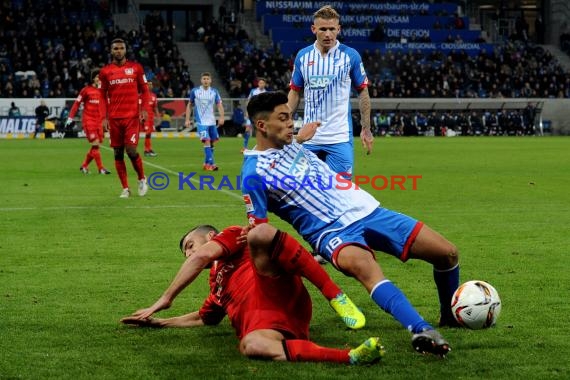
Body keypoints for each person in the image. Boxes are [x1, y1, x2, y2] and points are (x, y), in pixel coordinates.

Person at [243, 91, 460, 357]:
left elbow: (290, 142)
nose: (291, 123)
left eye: (291, 117)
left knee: (447, 253)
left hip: (366, 209)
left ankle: (449, 317)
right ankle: (421, 330)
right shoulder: (253, 175)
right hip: (330, 232)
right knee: (368, 271)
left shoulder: (288, 142)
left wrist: (301, 136)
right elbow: (259, 232)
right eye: (284, 118)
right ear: (262, 126)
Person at [121, 224, 381, 364]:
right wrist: (157, 323)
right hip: (273, 324)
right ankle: (351, 356)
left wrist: (164, 300)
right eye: (185, 253)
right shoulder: (217, 286)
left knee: (260, 233)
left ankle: (334, 295)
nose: (189, 254)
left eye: (190, 246)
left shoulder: (233, 236)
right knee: (251, 345)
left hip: (276, 286)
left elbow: (201, 256)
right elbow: (204, 318)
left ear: (210, 236)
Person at [287, 5, 373, 179]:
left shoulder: (350, 56)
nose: (328, 34)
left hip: (339, 138)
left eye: (332, 29)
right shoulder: (303, 57)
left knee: (341, 192)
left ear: (338, 29)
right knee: (302, 191)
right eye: (323, 29)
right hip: (309, 139)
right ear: (314, 29)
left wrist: (366, 128)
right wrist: (285, 123)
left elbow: (363, 92)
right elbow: (295, 92)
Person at [99, 38, 150, 198]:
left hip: (132, 117)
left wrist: (145, 109)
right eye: (116, 48)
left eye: (121, 48)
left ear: (125, 50)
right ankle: (125, 188)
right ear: (111, 51)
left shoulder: (136, 68)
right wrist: (103, 118)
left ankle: (142, 178)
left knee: (131, 150)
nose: (119, 51)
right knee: (118, 154)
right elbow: (101, 96)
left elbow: (145, 90)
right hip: (114, 119)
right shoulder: (105, 72)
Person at [67, 69, 111, 175]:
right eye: (97, 77)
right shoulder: (86, 90)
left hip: (99, 122)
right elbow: (77, 103)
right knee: (95, 144)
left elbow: (108, 106)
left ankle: (84, 166)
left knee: (96, 146)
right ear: (93, 79)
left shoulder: (104, 92)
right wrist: (70, 117)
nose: (99, 79)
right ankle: (101, 168)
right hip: (89, 121)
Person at [184, 72, 224, 171]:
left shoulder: (214, 91)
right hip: (201, 122)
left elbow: (219, 105)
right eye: (204, 79)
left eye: (207, 79)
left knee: (212, 143)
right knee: (206, 140)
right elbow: (190, 105)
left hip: (211, 121)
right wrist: (187, 119)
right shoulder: (195, 91)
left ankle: (206, 163)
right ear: (201, 80)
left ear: (210, 81)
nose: (206, 80)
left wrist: (222, 117)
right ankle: (212, 163)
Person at [142, 82, 159, 157]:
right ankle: (146, 150)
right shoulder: (142, 95)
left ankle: (149, 149)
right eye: (148, 84)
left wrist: (158, 116)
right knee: (147, 133)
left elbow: (155, 107)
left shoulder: (154, 96)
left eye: (151, 84)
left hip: (151, 118)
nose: (150, 85)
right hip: (145, 117)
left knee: (150, 133)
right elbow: (139, 107)